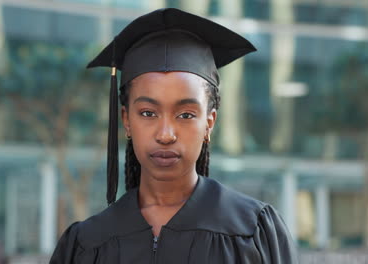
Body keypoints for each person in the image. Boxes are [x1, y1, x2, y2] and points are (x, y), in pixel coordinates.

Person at [50, 8, 298, 264]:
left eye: (186, 115)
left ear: (209, 123)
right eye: (147, 113)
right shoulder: (86, 243)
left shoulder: (253, 231)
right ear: (126, 120)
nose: (166, 134)